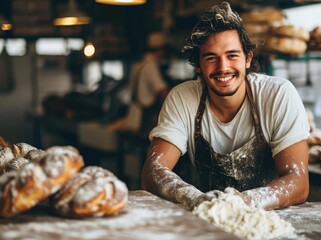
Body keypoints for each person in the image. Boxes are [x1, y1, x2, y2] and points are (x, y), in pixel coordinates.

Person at [141, 2, 310, 211]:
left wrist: (245, 202)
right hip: (206, 217)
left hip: (269, 222)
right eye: (211, 58)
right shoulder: (183, 98)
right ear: (197, 66)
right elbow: (153, 171)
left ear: (248, 58)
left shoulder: (277, 95)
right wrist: (195, 198)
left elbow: (298, 182)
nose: (223, 68)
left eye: (232, 55)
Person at [107, 31, 169, 134]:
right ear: (160, 51)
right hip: (144, 120)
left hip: (134, 116)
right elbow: (162, 91)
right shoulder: (150, 66)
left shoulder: (139, 64)